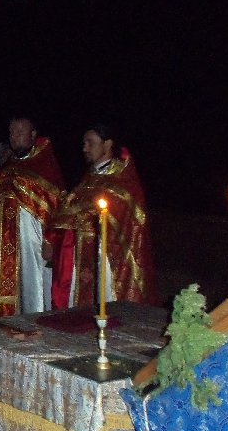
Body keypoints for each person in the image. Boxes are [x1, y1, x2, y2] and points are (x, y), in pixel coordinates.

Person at [48, 123, 155, 309]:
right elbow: (67, 211)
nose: (85, 148)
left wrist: (85, 215)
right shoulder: (88, 179)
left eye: (90, 143)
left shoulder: (123, 179)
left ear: (107, 144)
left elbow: (127, 218)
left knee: (104, 303)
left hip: (107, 257)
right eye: (84, 143)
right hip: (79, 254)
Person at [0, 117, 65, 317]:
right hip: (4, 239)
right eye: (11, 133)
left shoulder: (45, 164)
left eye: (20, 132)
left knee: (33, 285)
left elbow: (57, 208)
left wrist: (50, 241)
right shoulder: (9, 164)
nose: (14, 137)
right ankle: (5, 323)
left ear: (33, 134)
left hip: (32, 240)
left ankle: (35, 325)